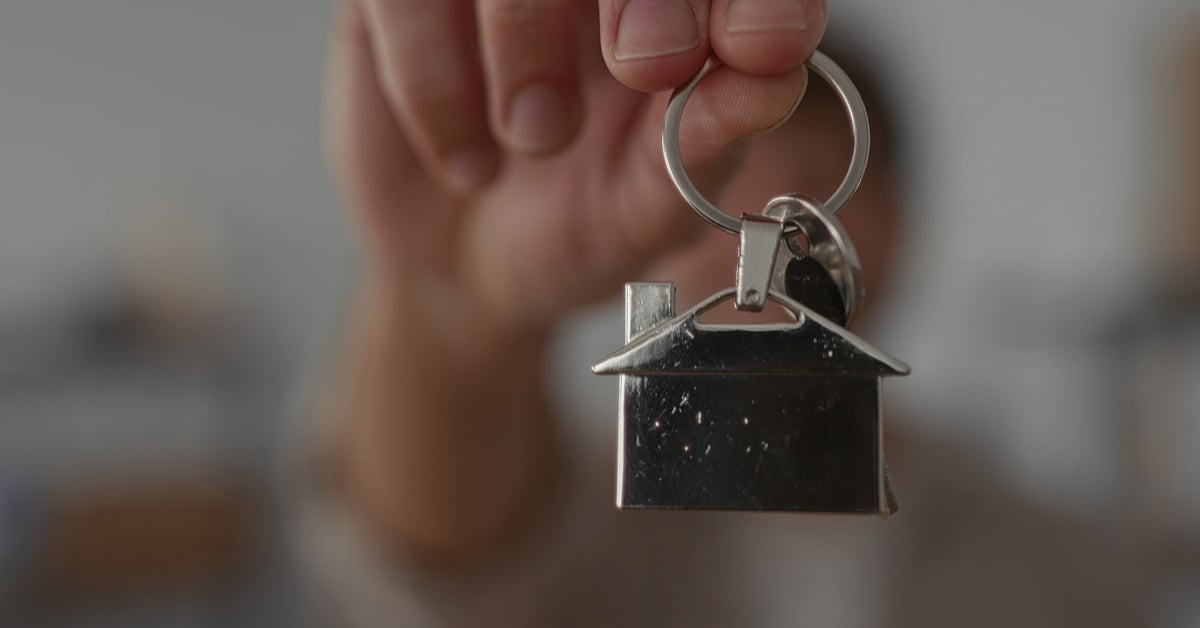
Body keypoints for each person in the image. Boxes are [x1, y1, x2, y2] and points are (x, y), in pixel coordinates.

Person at [299, 1, 1148, 625]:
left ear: (892, 218)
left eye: (806, 185)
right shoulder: (584, 520)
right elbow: (431, 570)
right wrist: (451, 299)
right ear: (664, 217)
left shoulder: (1061, 566)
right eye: (722, 181)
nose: (760, 223)